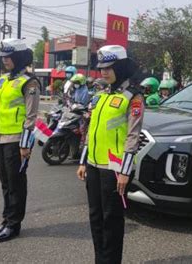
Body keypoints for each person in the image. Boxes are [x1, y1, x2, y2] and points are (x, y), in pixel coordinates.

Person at [76, 45, 144, 264]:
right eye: (101, 68)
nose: (103, 72)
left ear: (121, 67)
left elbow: (133, 136)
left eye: (109, 67)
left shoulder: (133, 97)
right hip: (94, 165)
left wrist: (125, 171)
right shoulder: (100, 95)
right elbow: (90, 131)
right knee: (95, 216)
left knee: (111, 220)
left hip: (115, 170)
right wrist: (84, 161)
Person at [0, 38, 41, 243]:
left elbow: (31, 116)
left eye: (8, 57)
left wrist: (25, 144)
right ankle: (6, 220)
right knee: (5, 183)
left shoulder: (29, 81)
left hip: (16, 140)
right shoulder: (2, 80)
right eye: (3, 57)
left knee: (16, 183)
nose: (5, 60)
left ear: (18, 57)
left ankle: (14, 224)